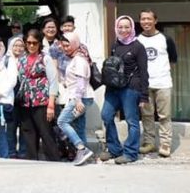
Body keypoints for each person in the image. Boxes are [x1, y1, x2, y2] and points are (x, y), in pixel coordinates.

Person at [100, 15, 149, 164]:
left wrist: (144, 95)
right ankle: (114, 149)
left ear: (132, 28)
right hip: (113, 88)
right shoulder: (115, 45)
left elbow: (143, 72)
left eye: (127, 27)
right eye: (120, 27)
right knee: (106, 115)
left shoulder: (138, 47)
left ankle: (130, 153)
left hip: (131, 87)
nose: (123, 30)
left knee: (131, 121)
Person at [137, 9, 178, 158]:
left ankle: (165, 144)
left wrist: (161, 72)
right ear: (140, 21)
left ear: (155, 20)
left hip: (163, 82)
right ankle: (149, 143)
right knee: (146, 115)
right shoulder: (137, 40)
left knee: (164, 115)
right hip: (145, 84)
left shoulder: (165, 39)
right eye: (143, 19)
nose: (146, 22)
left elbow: (173, 60)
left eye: (149, 19)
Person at [18, 29, 60, 161]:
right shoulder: (22, 59)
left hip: (42, 101)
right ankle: (32, 160)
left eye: (34, 43)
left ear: (39, 43)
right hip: (25, 101)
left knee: (46, 132)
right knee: (28, 132)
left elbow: (53, 81)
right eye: (28, 42)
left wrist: (51, 104)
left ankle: (53, 160)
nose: (31, 45)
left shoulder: (45, 58)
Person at [57, 32, 95, 166]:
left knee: (62, 121)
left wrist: (78, 100)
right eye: (64, 46)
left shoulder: (79, 60)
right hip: (79, 97)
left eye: (68, 45)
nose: (66, 48)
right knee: (79, 126)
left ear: (74, 44)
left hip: (80, 98)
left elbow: (81, 81)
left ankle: (81, 148)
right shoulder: (75, 58)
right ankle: (85, 155)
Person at [5, 36, 26, 158]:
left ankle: (23, 152)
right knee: (11, 126)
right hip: (10, 96)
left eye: (21, 46)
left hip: (24, 96)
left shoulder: (26, 60)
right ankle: (11, 151)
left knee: (24, 126)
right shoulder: (6, 61)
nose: (18, 48)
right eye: (15, 45)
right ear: (11, 47)